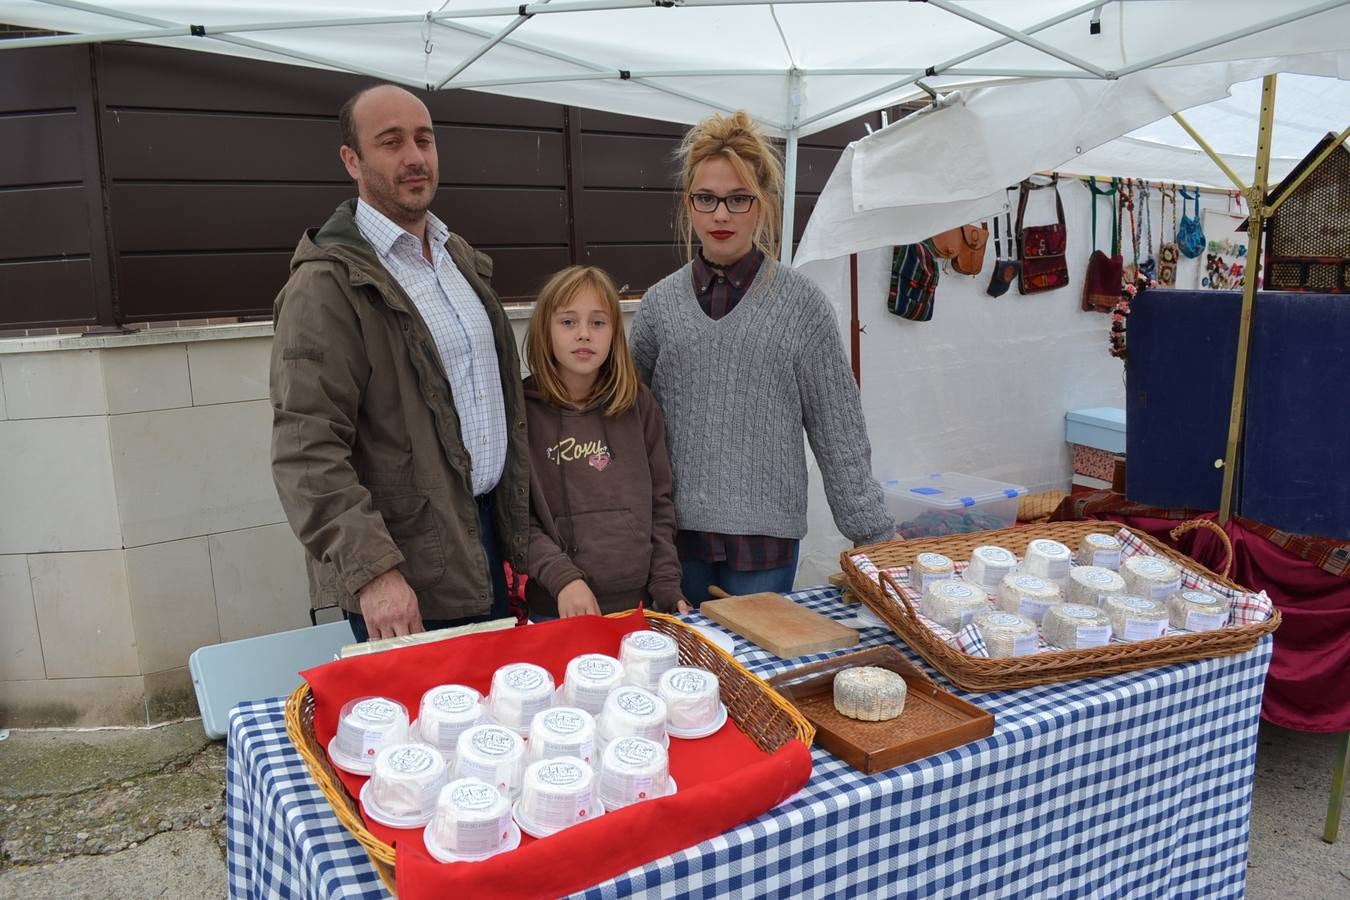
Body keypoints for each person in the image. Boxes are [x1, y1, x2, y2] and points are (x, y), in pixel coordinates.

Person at [269, 84, 528, 641]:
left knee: (495, 720)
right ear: (352, 161)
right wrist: (375, 574)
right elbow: (306, 450)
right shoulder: (327, 285)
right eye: (391, 142)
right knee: (425, 723)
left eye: (424, 139)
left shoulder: (459, 260)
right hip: (406, 567)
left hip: (486, 539)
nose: (414, 156)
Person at [630, 110, 895, 604]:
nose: (721, 214)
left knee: (755, 674)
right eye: (706, 198)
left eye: (738, 198)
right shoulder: (658, 307)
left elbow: (838, 430)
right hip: (676, 540)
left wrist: (873, 534)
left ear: (764, 205)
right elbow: (626, 424)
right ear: (689, 205)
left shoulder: (802, 306)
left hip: (765, 546)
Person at [522, 266, 691, 618]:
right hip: (557, 607)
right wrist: (563, 579)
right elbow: (517, 518)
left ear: (614, 332)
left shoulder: (638, 405)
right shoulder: (521, 411)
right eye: (568, 322)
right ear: (545, 330)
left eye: (598, 323)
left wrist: (666, 583)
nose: (584, 335)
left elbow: (660, 503)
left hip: (639, 604)